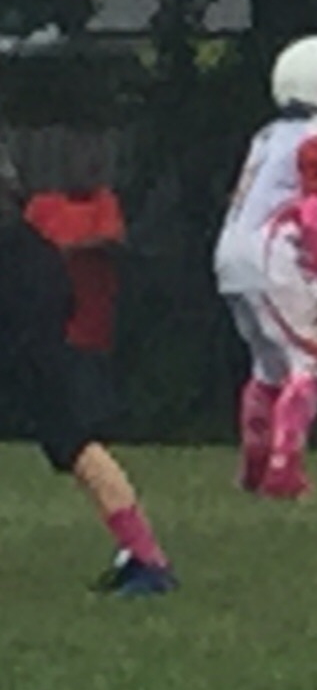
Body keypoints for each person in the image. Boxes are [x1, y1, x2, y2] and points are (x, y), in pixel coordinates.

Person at [0, 149, 175, 594]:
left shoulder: (17, 250)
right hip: (33, 328)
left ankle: (147, 559)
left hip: (27, 335)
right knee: (74, 443)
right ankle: (142, 554)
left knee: (74, 443)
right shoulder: (28, 244)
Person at [215, 35, 317, 496]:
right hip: (277, 254)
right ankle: (285, 471)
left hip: (231, 250)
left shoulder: (267, 135)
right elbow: (313, 214)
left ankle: (254, 466)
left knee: (267, 366)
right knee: (313, 364)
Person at [22, 132, 128, 407]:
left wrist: (69, 250)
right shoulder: (42, 205)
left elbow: (110, 240)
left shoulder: (103, 203)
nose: (84, 169)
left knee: (89, 383)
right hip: (44, 316)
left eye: (90, 162)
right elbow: (23, 244)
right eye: (78, 161)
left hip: (90, 316)